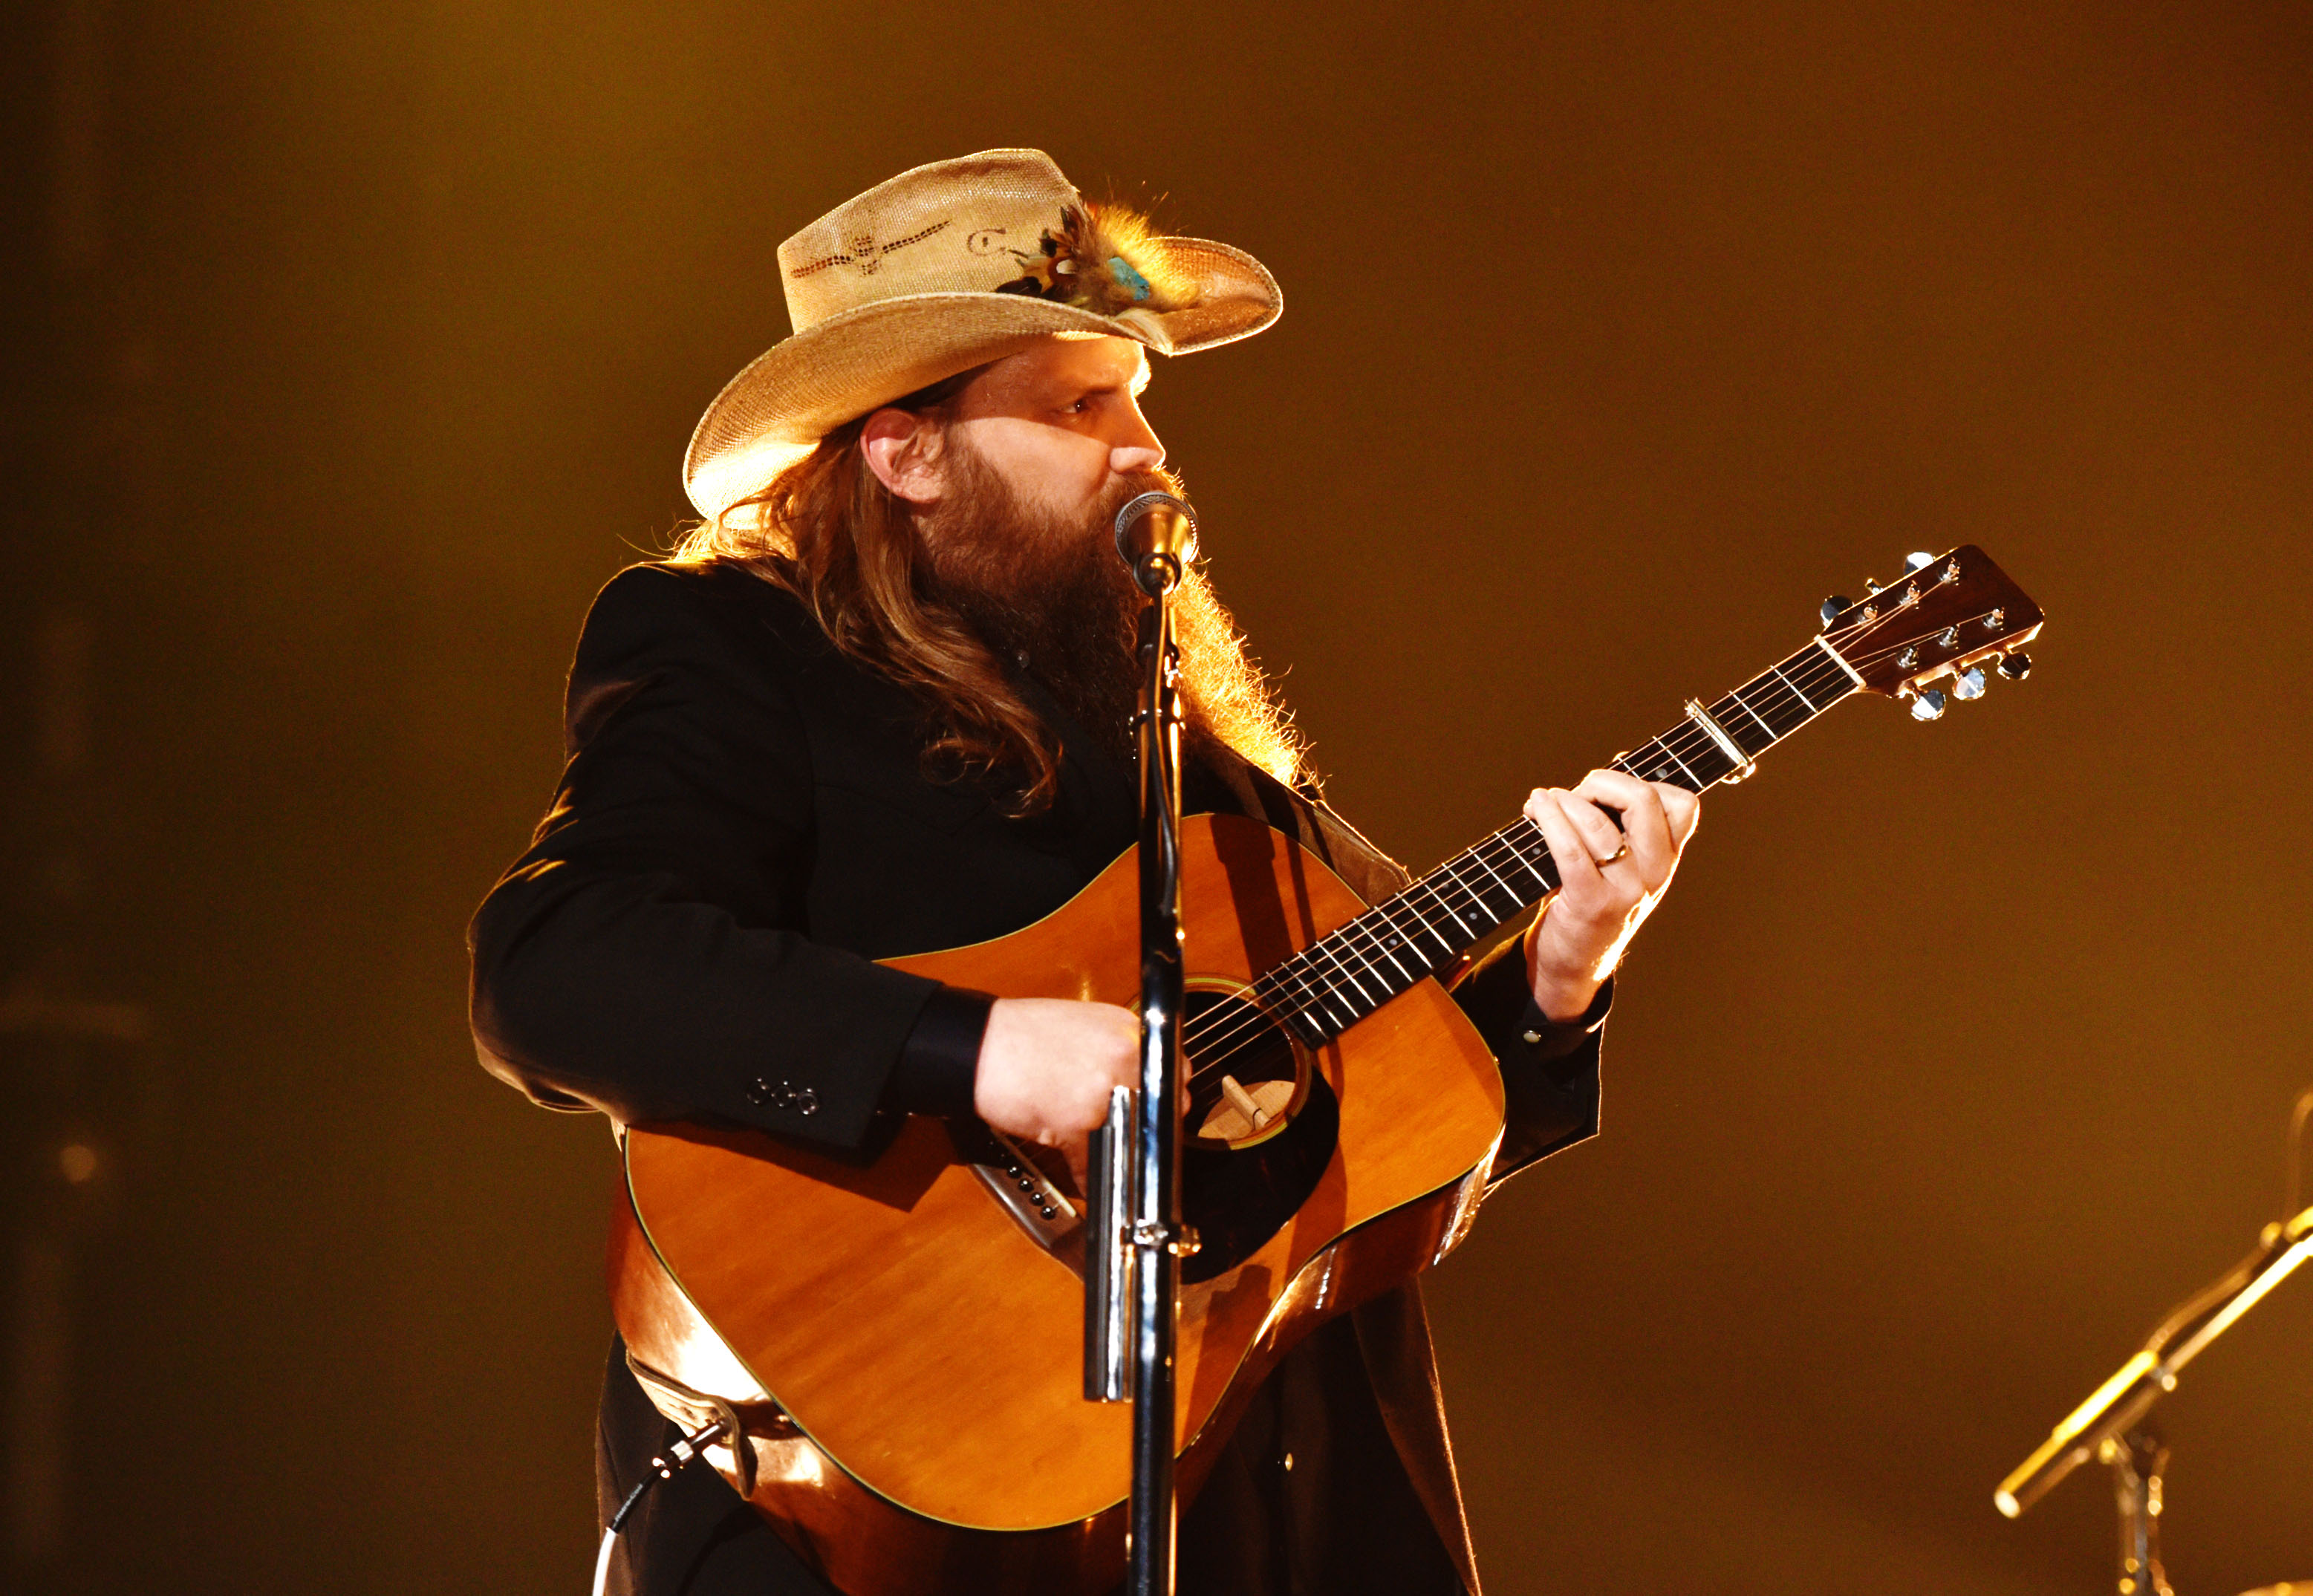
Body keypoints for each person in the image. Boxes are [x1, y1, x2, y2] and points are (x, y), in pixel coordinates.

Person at [469, 149, 1699, 1596]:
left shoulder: (1196, 762)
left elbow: (1382, 1156)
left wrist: (1561, 976)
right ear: (904, 450)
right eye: (1078, 405)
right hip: (844, 1519)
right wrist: (975, 1051)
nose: (1146, 448)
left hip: (1258, 1507)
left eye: (1139, 403)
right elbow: (558, 964)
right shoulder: (737, 646)